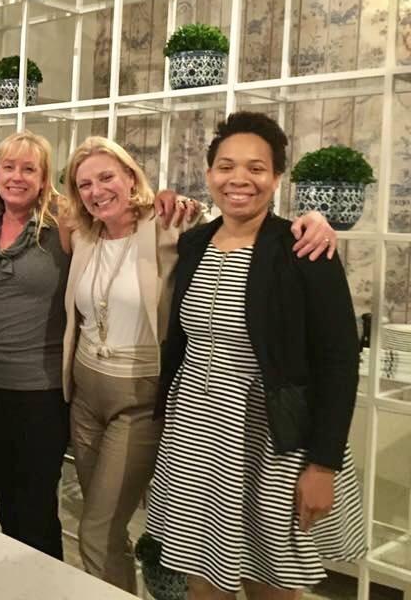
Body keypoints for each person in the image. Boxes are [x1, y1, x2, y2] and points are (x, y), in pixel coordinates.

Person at [60, 136, 340, 591]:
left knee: (97, 528)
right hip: (90, 395)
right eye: (84, 183)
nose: (96, 190)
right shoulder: (82, 235)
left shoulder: (172, 226)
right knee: (113, 525)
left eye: (107, 177)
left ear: (131, 177)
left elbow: (235, 216)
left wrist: (316, 220)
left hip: (147, 397)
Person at [145, 112, 364, 598]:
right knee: (203, 582)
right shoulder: (194, 242)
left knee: (271, 584)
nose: (239, 179)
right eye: (226, 166)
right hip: (195, 437)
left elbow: (338, 362)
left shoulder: (303, 248)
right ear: (209, 174)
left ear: (277, 177)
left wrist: (322, 465)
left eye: (256, 168)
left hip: (270, 442)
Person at [0, 130, 72, 559]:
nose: (17, 176)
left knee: (36, 508)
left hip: (41, 391)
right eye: (8, 167)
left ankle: (48, 585)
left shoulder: (64, 227)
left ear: (44, 178)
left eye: (29, 169)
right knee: (6, 501)